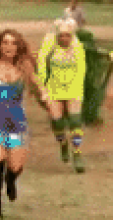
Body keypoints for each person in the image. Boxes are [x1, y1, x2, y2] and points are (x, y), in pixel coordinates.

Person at [0, 29, 49, 220]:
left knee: (15, 166)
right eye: (5, 43)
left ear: (18, 47)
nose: (9, 47)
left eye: (13, 43)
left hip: (16, 118)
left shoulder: (24, 67)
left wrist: (45, 95)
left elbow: (37, 84)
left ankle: (11, 179)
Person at [37, 18, 90, 173]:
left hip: (73, 89)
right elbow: (41, 67)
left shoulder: (77, 48)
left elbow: (81, 70)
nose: (64, 38)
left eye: (67, 35)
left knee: (75, 121)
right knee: (58, 123)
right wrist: (43, 89)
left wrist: (78, 91)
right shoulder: (49, 47)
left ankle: (77, 153)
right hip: (54, 88)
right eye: (61, 35)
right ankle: (63, 144)